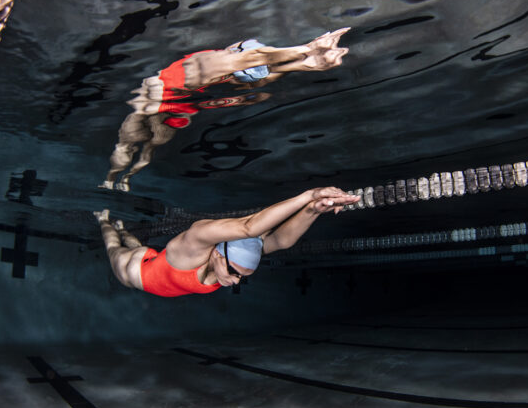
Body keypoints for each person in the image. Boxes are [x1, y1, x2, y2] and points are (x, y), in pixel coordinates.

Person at [100, 28, 350, 191]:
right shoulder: (206, 65)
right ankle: (113, 178)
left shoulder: (232, 67)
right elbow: (254, 60)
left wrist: (311, 62)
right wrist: (307, 50)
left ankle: (125, 176)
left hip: (174, 104)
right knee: (133, 143)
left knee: (145, 145)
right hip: (157, 102)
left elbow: (264, 66)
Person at [94, 187, 359, 297]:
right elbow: (248, 227)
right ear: (218, 255)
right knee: (114, 246)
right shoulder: (192, 246)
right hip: (133, 273)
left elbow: (281, 240)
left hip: (153, 260)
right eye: (235, 273)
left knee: (137, 245)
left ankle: (120, 227)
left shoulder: (235, 256)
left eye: (242, 276)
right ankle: (104, 219)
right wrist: (309, 196)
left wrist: (313, 209)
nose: (235, 281)